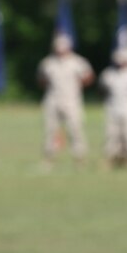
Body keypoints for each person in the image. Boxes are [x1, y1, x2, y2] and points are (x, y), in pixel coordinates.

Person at [37, 32, 94, 165]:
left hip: (72, 100)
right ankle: (49, 158)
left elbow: (89, 77)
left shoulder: (78, 62)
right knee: (50, 130)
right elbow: (40, 79)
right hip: (52, 99)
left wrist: (79, 85)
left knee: (75, 129)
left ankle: (79, 158)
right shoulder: (48, 62)